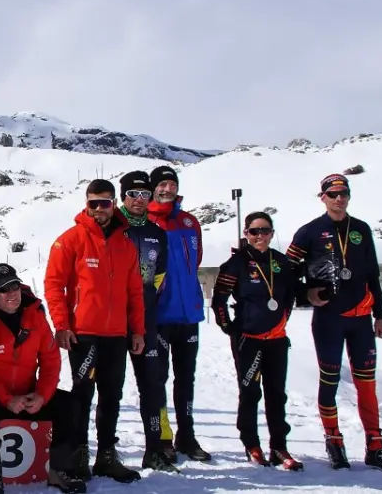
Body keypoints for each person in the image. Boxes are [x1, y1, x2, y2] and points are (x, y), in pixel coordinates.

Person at [286, 173, 382, 472]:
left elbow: (372, 273)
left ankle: (375, 446)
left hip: (361, 319)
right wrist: (306, 294)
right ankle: (334, 441)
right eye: (333, 194)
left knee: (367, 384)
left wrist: (380, 314)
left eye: (344, 193)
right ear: (323, 197)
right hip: (329, 319)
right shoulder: (309, 232)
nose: (339, 198)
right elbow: (286, 272)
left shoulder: (361, 229)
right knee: (330, 380)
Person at [43, 178, 145, 483]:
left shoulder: (126, 245)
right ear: (86, 204)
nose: (100, 209)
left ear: (114, 204)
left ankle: (106, 456)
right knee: (82, 395)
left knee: (111, 395)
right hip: (83, 333)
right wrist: (62, 325)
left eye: (105, 203)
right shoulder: (70, 239)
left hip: (116, 334)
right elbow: (54, 285)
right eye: (94, 203)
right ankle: (77, 455)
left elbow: (135, 292)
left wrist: (137, 331)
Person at [0, 264, 86, 494]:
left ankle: (60, 470)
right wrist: (6, 398)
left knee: (70, 405)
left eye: (15, 286)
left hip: (27, 395)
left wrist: (42, 395)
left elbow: (51, 361)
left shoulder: (36, 318)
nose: (12, 293)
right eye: (3, 289)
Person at [211, 211, 304, 471]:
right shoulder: (236, 263)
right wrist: (229, 327)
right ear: (246, 234)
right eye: (254, 231)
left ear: (272, 233)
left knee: (277, 394)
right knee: (250, 393)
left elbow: (293, 294)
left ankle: (279, 447)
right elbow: (219, 300)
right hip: (248, 340)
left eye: (265, 231)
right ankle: (251, 443)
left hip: (276, 339)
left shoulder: (281, 262)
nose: (260, 236)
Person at [146, 165, 211, 463]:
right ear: (153, 188)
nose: (167, 189)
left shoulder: (189, 221)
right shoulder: (145, 221)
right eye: (162, 185)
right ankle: (163, 437)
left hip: (188, 315)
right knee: (157, 379)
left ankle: (187, 435)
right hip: (159, 316)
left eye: (172, 184)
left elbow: (195, 261)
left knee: (186, 379)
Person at [115, 171, 176, 473]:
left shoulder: (157, 233)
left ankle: (154, 449)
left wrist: (144, 302)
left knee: (152, 384)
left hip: (145, 320)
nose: (139, 200)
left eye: (144, 194)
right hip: (112, 320)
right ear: (123, 196)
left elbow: (158, 278)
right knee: (108, 389)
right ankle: (104, 450)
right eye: (133, 194)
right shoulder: (112, 228)